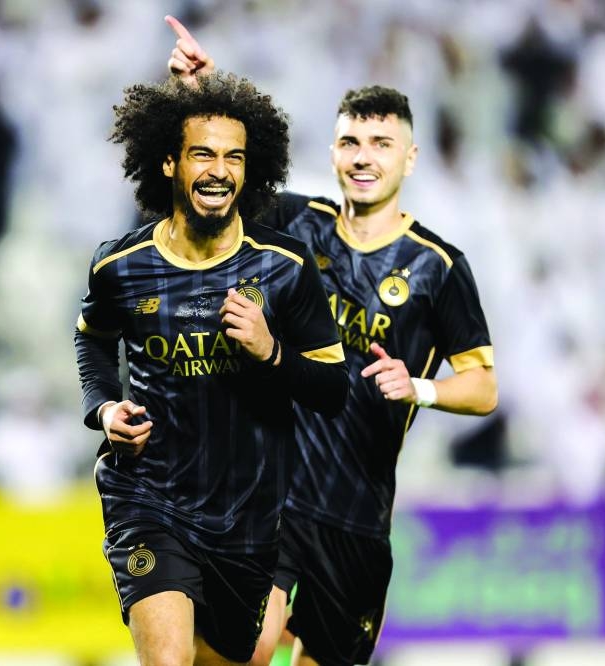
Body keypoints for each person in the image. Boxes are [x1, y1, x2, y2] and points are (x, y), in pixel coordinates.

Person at [166, 16, 498, 666]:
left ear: (409, 158)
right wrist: (202, 92)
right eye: (350, 142)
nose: (363, 157)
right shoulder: (300, 224)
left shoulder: (438, 266)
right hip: (275, 497)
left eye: (380, 143)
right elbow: (229, 177)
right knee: (245, 647)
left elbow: (484, 387)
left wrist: (421, 387)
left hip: (357, 522)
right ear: (334, 153)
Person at [74, 71, 349, 665]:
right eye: (203, 154)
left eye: (234, 157)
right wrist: (104, 407)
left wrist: (271, 352)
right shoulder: (119, 266)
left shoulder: (284, 268)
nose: (219, 171)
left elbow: (333, 389)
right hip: (148, 496)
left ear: (250, 171)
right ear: (169, 163)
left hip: (247, 517)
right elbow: (92, 344)